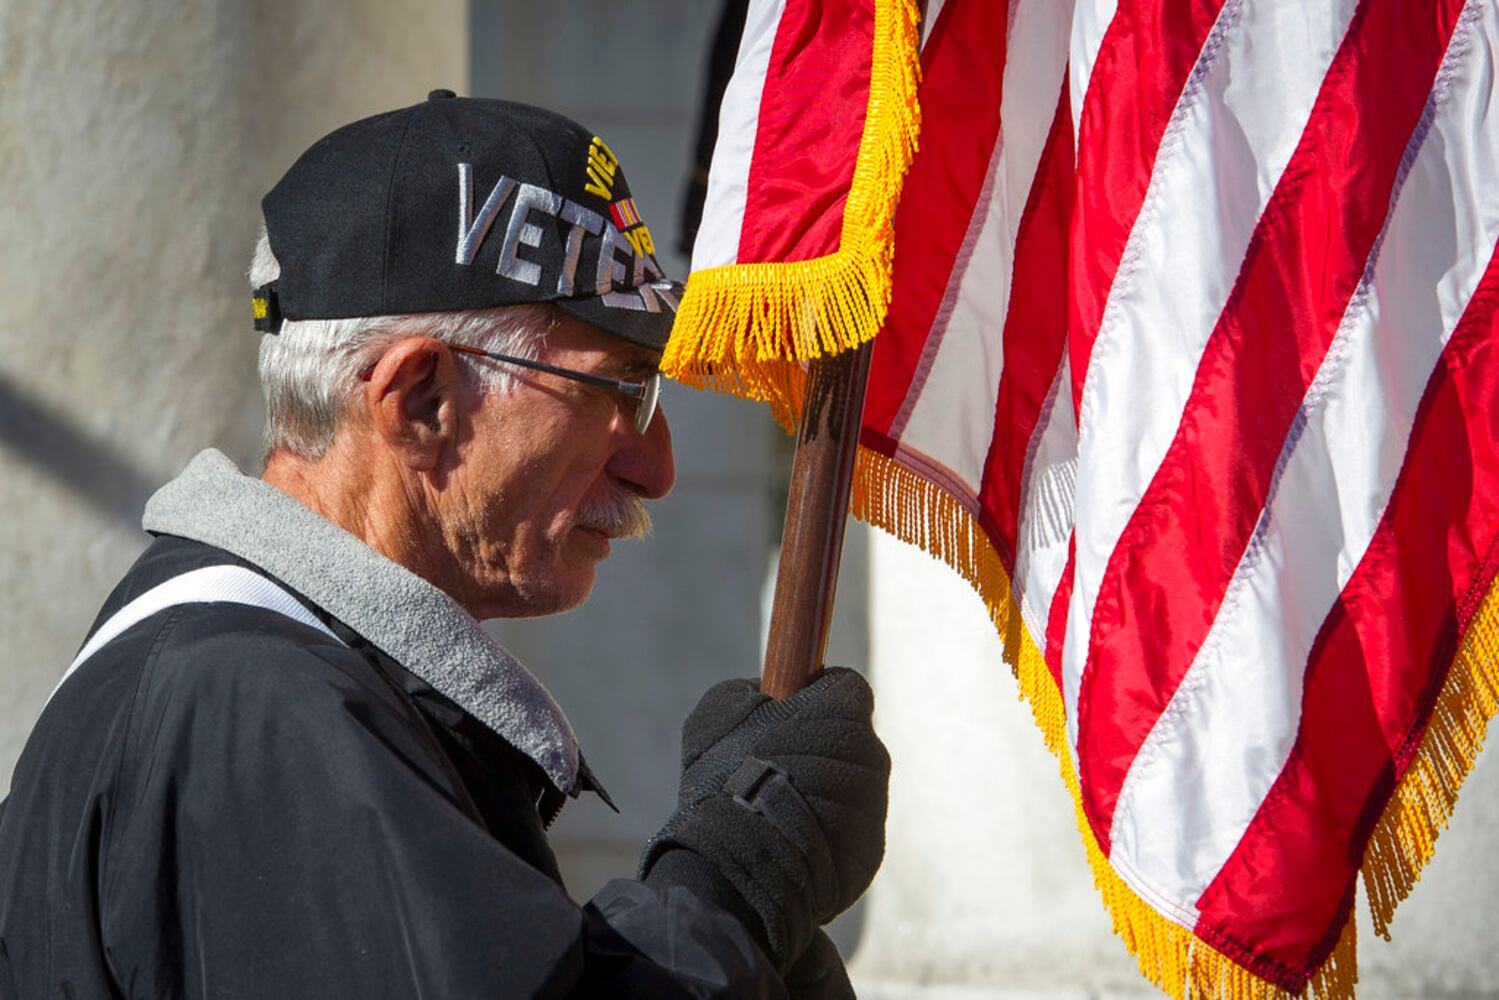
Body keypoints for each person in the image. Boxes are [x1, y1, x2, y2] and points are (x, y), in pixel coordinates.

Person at [0, 92, 889, 998]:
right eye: (619, 389)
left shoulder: (254, 683)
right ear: (419, 399)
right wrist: (733, 882)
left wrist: (764, 954)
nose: (655, 467)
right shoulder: (251, 702)